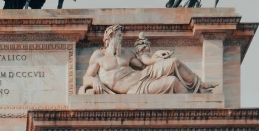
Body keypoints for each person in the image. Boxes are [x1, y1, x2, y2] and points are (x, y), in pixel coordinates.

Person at [81, 26, 217, 94]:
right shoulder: (99, 56)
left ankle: (200, 86)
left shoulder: (126, 53)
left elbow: (142, 64)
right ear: (110, 37)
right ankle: (193, 103)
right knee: (173, 82)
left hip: (143, 75)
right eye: (119, 35)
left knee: (174, 61)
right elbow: (87, 77)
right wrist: (95, 80)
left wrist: (154, 56)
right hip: (135, 90)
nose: (121, 38)